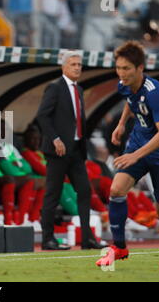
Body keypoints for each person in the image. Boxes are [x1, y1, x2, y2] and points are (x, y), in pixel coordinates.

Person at [96, 41, 159, 269]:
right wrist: (122, 124)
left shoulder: (155, 95)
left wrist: (135, 156)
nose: (121, 74)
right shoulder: (124, 84)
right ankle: (120, 247)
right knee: (116, 189)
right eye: (119, 67)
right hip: (138, 144)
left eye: (126, 69)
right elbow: (130, 100)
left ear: (140, 68)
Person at [36, 50, 106, 251]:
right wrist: (55, 139)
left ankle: (87, 239)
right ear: (64, 67)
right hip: (58, 150)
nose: (77, 67)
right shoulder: (55, 87)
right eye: (73, 64)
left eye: (79, 65)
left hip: (76, 150)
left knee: (84, 191)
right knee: (53, 194)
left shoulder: (79, 89)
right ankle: (48, 239)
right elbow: (43, 116)